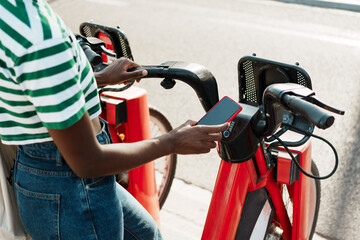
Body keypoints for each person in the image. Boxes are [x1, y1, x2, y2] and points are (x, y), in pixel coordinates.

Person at [0, 0, 228, 239]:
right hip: (71, 186)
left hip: (54, 177)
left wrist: (94, 77)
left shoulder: (12, 13)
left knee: (146, 235)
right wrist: (171, 143)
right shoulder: (39, 36)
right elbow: (87, 161)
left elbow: (30, 86)